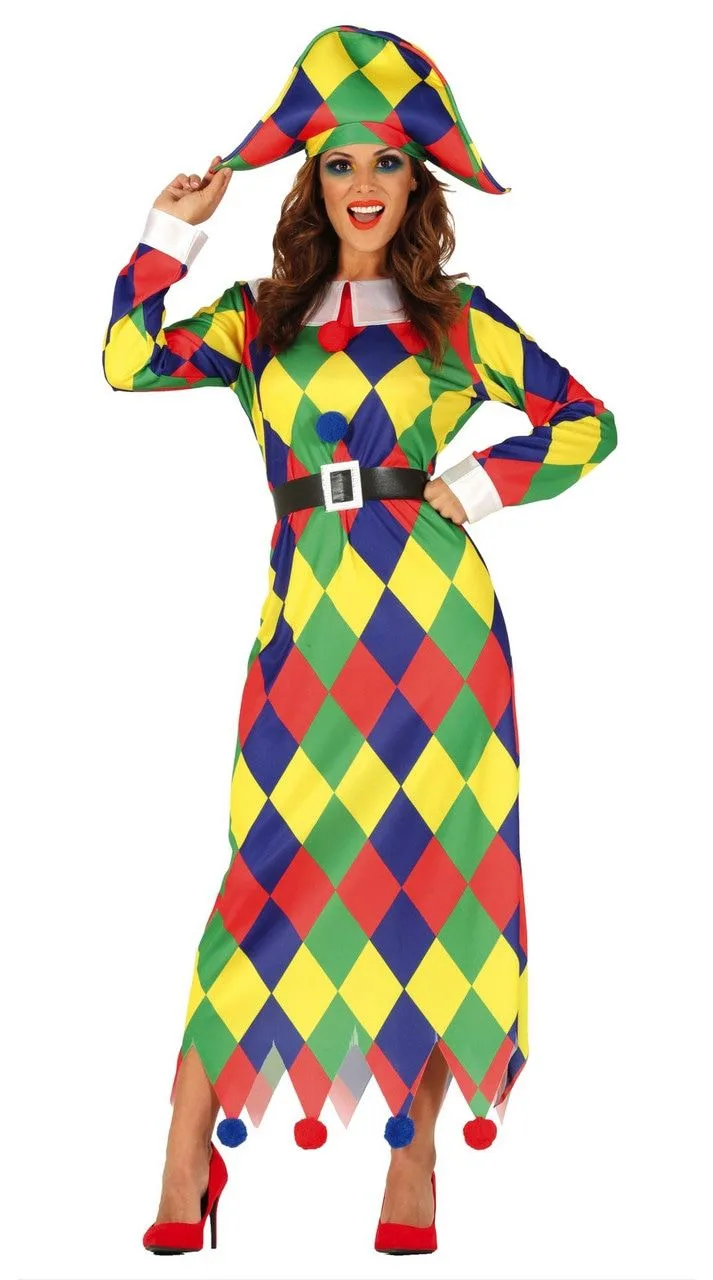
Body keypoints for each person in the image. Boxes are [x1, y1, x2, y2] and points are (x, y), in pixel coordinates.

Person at [102, 22, 617, 1258]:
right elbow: (127, 359)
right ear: (312, 183)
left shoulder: (456, 322)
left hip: (433, 632)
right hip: (308, 632)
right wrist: (172, 229)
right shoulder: (257, 321)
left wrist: (473, 488)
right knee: (268, 866)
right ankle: (185, 1141)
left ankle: (412, 1153)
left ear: (415, 179)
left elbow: (586, 421)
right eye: (338, 163)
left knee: (433, 876)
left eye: (385, 160)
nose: (364, 185)